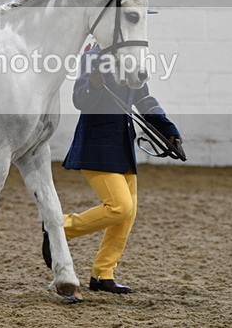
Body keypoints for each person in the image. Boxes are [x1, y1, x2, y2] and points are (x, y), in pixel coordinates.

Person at [43, 44, 183, 294]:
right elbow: (80, 99)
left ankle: (102, 274)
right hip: (97, 146)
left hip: (122, 145)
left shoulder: (131, 59)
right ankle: (59, 227)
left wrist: (168, 130)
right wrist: (95, 83)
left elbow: (144, 98)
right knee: (120, 207)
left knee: (127, 216)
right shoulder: (92, 56)